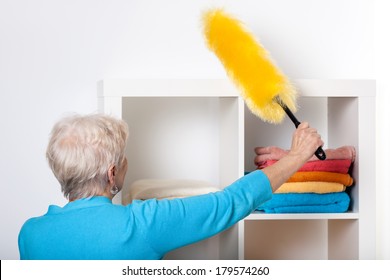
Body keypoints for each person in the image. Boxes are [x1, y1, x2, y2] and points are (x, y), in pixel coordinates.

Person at [18, 113, 323, 260]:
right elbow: (230, 203)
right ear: (112, 174)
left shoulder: (30, 235)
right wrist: (297, 155)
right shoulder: (142, 224)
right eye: (123, 160)